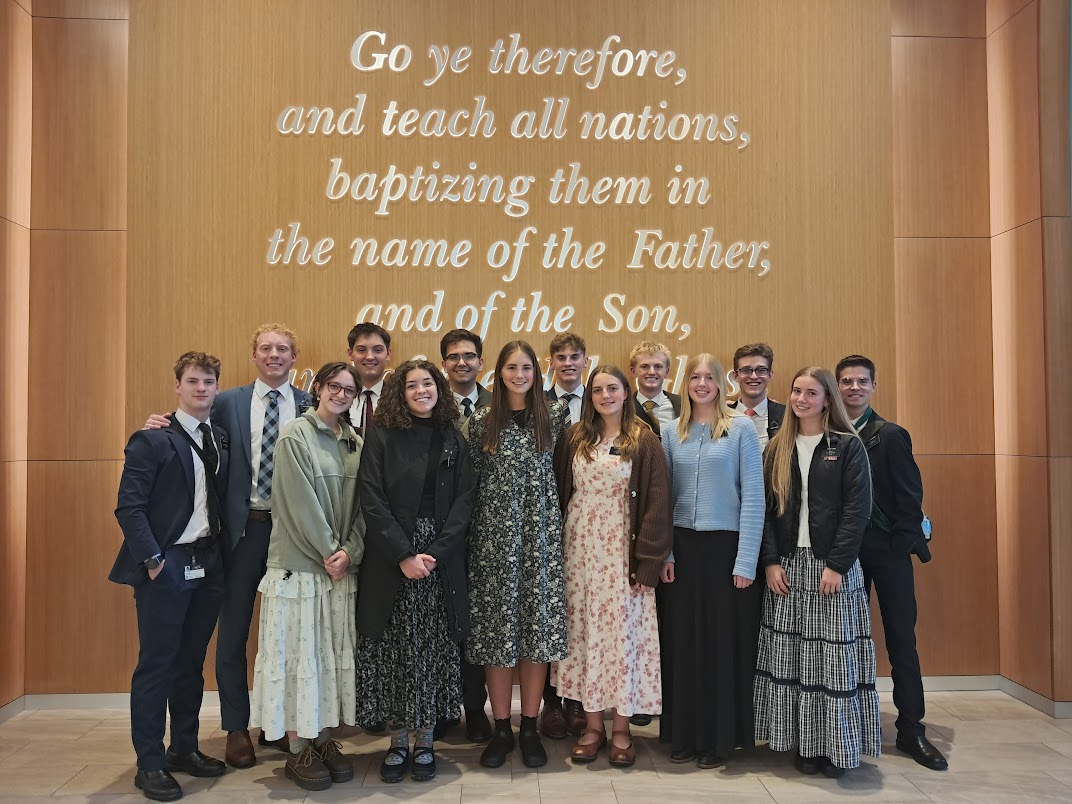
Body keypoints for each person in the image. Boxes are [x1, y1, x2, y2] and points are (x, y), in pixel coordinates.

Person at [142, 326, 312, 766]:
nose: (274, 355)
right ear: (253, 355)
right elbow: (188, 428)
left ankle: (283, 724)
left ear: (294, 357)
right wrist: (157, 425)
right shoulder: (227, 402)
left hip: (294, 534)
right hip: (243, 531)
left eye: (283, 349)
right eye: (266, 348)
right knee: (233, 632)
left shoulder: (310, 403)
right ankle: (237, 727)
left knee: (292, 632)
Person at [111, 352, 229, 801]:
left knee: (191, 663)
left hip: (209, 562)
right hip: (168, 565)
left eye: (208, 381)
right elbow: (129, 507)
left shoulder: (218, 437)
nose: (201, 388)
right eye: (193, 381)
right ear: (177, 386)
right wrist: (153, 559)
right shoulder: (151, 439)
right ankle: (150, 763)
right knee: (157, 664)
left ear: (217, 388)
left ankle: (184, 749)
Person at [754, 366, 880, 778]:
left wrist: (837, 565)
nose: (801, 399)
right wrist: (770, 561)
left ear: (828, 399)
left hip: (831, 569)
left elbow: (857, 511)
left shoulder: (847, 445)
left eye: (811, 393)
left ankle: (835, 748)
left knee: (832, 661)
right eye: (796, 391)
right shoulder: (776, 447)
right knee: (794, 661)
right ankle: (803, 745)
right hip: (788, 567)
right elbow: (765, 512)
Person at [354, 360, 476, 782]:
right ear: (400, 394)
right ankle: (396, 741)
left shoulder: (453, 436)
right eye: (412, 385)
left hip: (439, 559)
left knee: (430, 650)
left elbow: (464, 501)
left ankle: (425, 742)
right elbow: (371, 498)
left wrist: (435, 554)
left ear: (439, 388)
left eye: (428, 383)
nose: (422, 390)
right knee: (396, 650)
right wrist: (404, 555)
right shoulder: (381, 435)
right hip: (393, 558)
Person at [248, 362, 366, 792]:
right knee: (298, 658)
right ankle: (299, 749)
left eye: (349, 390)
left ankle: (322, 739)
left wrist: (350, 552)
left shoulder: (355, 442)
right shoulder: (295, 435)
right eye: (334, 386)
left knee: (327, 659)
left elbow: (366, 507)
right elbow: (298, 504)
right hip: (300, 568)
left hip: (339, 572)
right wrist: (331, 551)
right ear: (317, 388)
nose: (340, 394)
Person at [551, 366, 672, 767]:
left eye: (612, 388)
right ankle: (592, 727)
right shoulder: (574, 437)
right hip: (578, 554)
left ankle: (621, 729)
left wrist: (649, 562)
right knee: (586, 636)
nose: (605, 396)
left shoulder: (643, 439)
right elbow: (559, 492)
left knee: (622, 639)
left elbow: (657, 503)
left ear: (626, 393)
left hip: (623, 554)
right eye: (598, 390)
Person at [836, 355, 947, 771]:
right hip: (845, 553)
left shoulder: (891, 435)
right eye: (846, 381)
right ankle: (847, 723)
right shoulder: (829, 435)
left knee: (901, 638)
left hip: (888, 552)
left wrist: (899, 548)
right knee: (846, 640)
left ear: (873, 387)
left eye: (861, 381)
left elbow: (909, 495)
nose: (854, 388)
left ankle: (911, 728)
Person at [659, 354, 765, 769]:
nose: (702, 384)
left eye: (710, 377)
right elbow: (663, 499)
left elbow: (754, 498)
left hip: (727, 551)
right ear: (686, 384)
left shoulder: (740, 429)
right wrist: (666, 553)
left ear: (723, 383)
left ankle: (719, 740)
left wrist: (746, 562)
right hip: (683, 552)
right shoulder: (672, 432)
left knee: (721, 648)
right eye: (695, 377)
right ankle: (685, 735)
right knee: (684, 646)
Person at [467, 341, 570, 769]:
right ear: (499, 372)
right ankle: (501, 728)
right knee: (497, 636)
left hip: (541, 540)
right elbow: (471, 484)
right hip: (493, 543)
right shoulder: (480, 421)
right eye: (511, 367)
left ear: (537, 372)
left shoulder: (556, 416)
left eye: (526, 367)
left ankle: (529, 726)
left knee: (535, 635)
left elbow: (565, 476)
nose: (519, 375)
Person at [438, 329, 493, 742]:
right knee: (443, 621)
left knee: (475, 623)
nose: (462, 362)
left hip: (489, 530)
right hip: (441, 532)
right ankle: (443, 707)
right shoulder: (428, 404)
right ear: (444, 364)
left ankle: (475, 707)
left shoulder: (500, 406)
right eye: (454, 356)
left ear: (481, 362)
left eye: (469, 356)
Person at [540, 332, 589, 739]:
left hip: (589, 529)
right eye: (561, 356)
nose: (568, 362)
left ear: (586, 361)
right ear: (551, 362)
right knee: (550, 617)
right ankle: (551, 703)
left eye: (575, 356)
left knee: (581, 616)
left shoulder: (603, 400)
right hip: (545, 523)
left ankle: (578, 701)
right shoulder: (537, 404)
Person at [730, 343, 785, 448]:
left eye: (761, 370)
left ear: (770, 375)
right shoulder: (721, 417)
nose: (754, 376)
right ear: (735, 376)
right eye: (746, 370)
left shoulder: (786, 417)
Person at [630, 341, 681, 439]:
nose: (651, 372)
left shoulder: (683, 405)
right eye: (645, 366)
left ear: (667, 372)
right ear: (633, 371)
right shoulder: (623, 408)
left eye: (658, 366)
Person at [347, 322, 393, 431]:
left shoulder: (398, 399)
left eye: (378, 350)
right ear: (350, 354)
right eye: (361, 350)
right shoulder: (339, 397)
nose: (369, 357)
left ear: (388, 354)